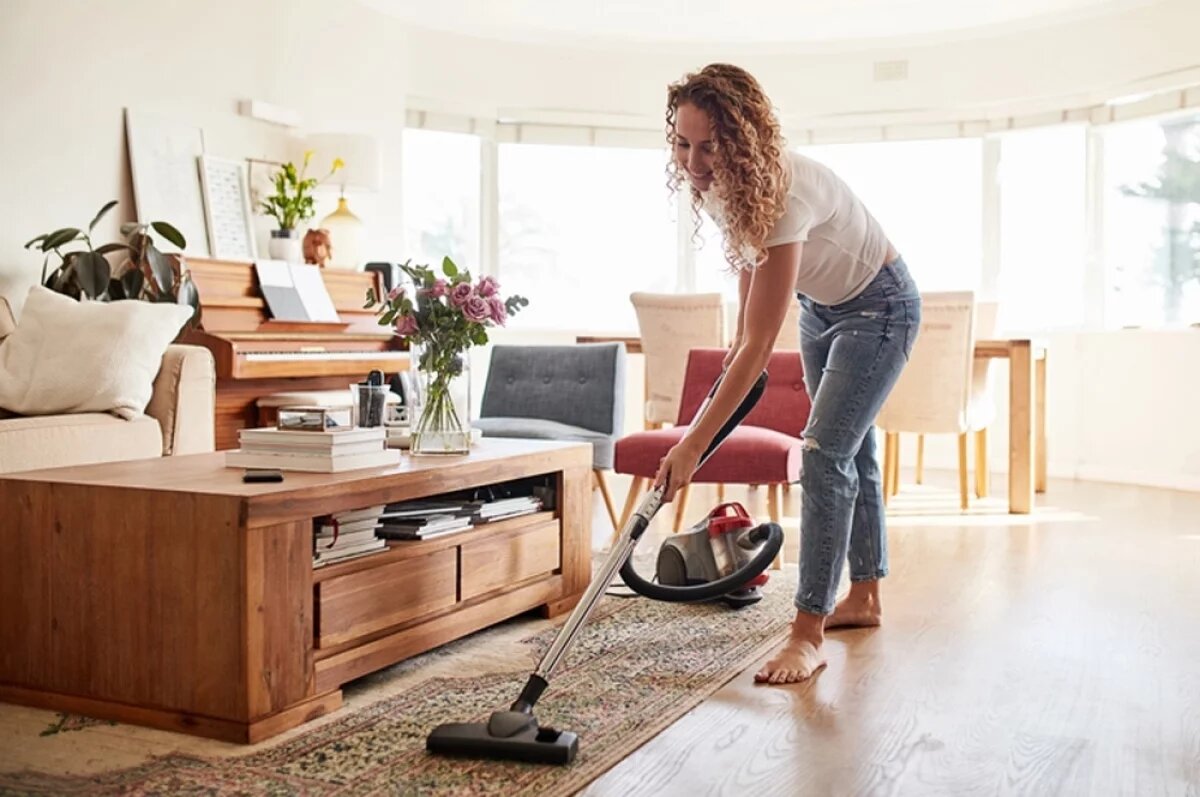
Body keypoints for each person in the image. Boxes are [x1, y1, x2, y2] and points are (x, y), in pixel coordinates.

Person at [655, 63, 922, 685]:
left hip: (880, 306)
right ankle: (866, 596)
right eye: (682, 143)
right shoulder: (726, 185)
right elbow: (748, 318)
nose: (693, 162)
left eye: (709, 146)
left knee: (826, 455)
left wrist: (693, 442)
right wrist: (731, 362)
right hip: (819, 306)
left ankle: (808, 635)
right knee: (854, 452)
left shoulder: (782, 191)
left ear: (742, 139)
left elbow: (758, 343)